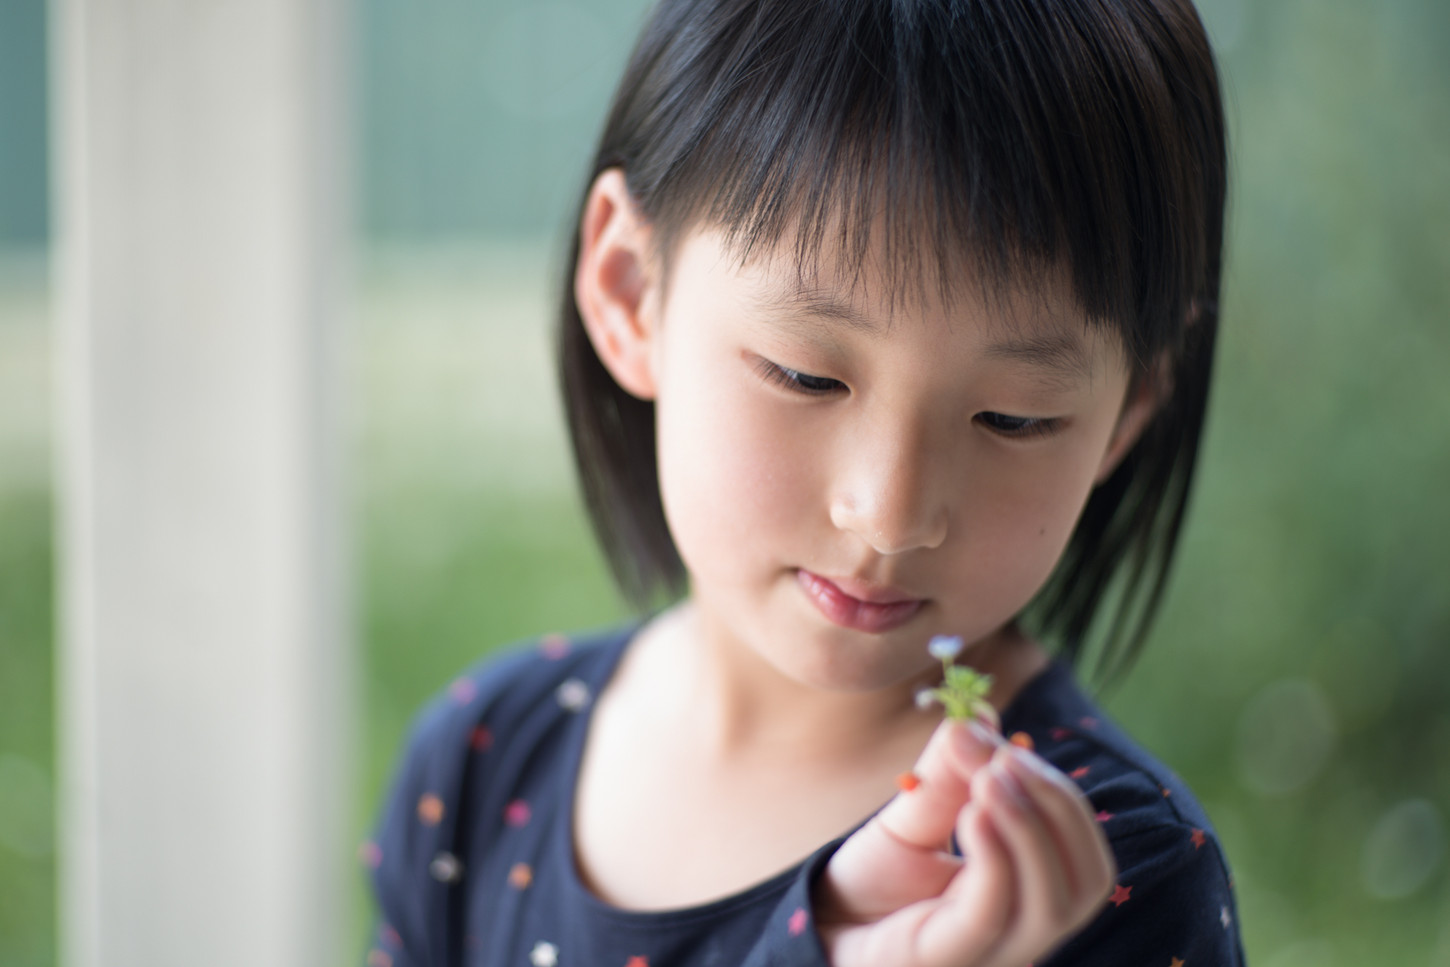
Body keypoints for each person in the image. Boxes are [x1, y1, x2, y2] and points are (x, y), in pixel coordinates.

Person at [364, 0, 1243, 964]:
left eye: (1015, 418)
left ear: (1124, 414)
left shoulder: (1098, 875)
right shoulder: (486, 757)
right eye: (805, 374)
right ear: (628, 289)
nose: (891, 511)